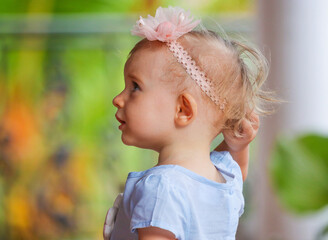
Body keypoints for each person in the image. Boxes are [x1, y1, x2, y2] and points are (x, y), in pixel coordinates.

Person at [104, 6, 272, 240]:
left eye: (135, 87)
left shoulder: (162, 188)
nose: (117, 99)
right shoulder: (222, 177)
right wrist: (238, 146)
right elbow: (237, 171)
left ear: (182, 109)